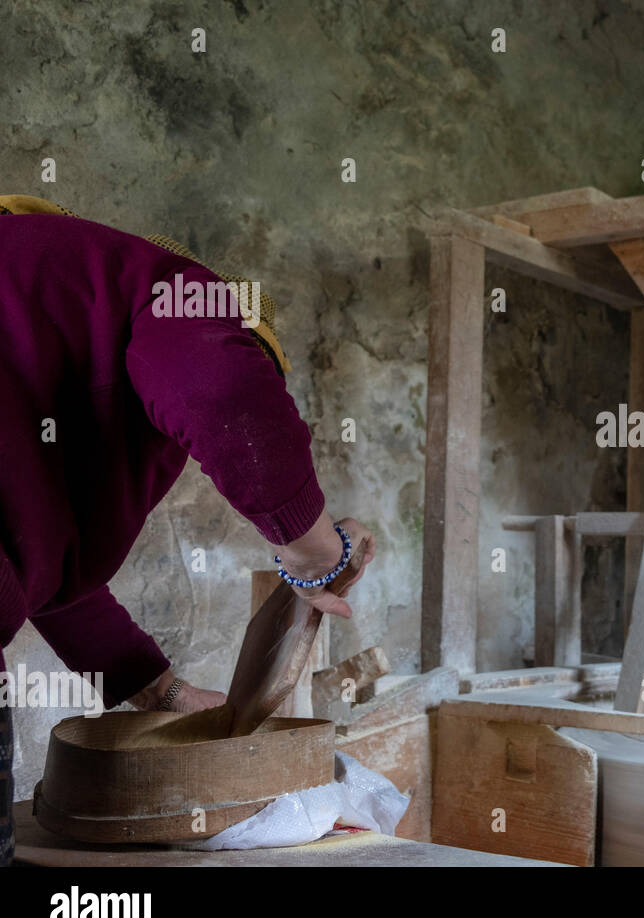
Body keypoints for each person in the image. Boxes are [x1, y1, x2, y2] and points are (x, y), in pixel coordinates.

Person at [0, 196, 376, 866]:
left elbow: (51, 573)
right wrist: (315, 549)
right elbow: (220, 387)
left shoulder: (43, 317)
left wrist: (161, 691)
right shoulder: (167, 286)